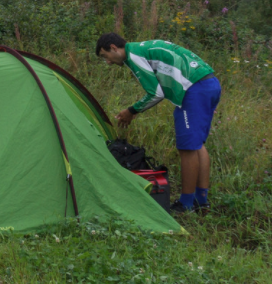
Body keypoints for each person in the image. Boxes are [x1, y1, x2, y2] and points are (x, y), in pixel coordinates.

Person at [95, 33, 221, 213]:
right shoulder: (142, 48)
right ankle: (201, 201)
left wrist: (131, 111)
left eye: (105, 57)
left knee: (187, 149)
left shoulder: (133, 56)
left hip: (193, 89)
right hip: (209, 83)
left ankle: (185, 204)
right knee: (198, 145)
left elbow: (155, 93)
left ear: (114, 48)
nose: (107, 62)